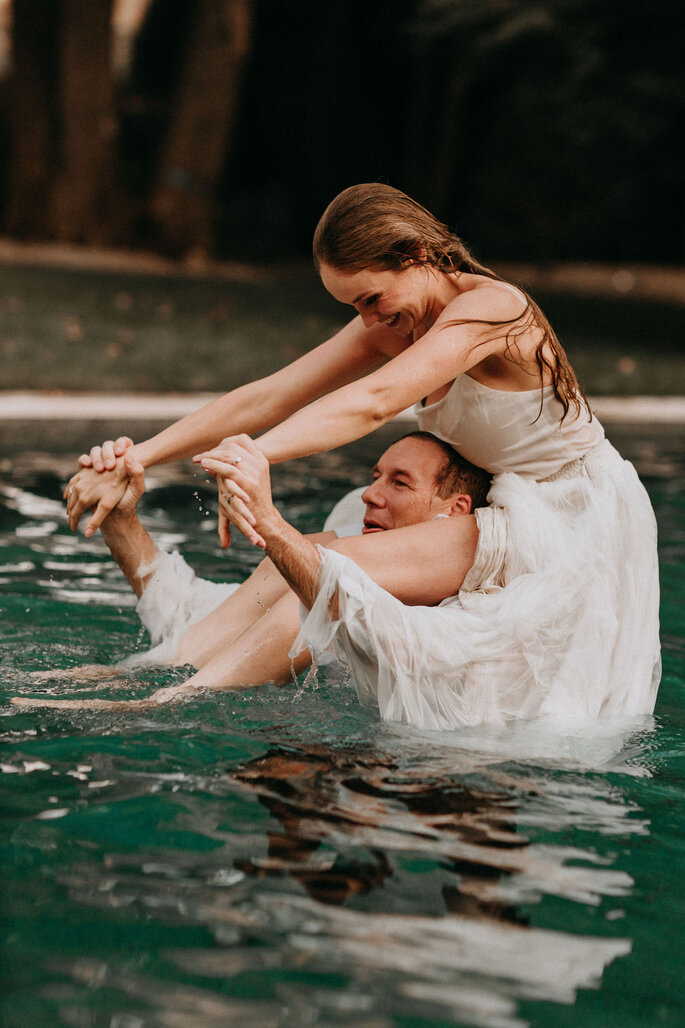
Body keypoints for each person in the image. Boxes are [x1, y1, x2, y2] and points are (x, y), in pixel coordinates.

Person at [60, 182, 660, 729]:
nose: (370, 320)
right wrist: (139, 456)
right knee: (312, 553)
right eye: (354, 308)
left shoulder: (496, 311)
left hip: (565, 514)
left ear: (418, 256)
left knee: (328, 579)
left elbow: (373, 402)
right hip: (494, 499)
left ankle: (160, 708)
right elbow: (269, 395)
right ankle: (153, 667)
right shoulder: (397, 317)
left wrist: (250, 458)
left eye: (372, 298)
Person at [12, 433, 491, 711]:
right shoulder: (320, 560)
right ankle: (135, 688)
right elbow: (187, 616)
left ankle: (154, 702)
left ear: (453, 513)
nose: (370, 493)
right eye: (375, 477)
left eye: (400, 482)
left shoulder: (467, 630)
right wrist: (120, 521)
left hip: (409, 785)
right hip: (270, 735)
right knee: (321, 555)